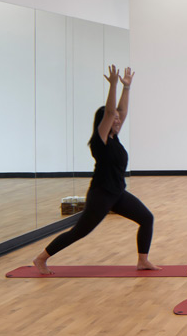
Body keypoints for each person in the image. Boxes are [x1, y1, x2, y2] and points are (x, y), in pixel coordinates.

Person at [31, 66, 155, 271]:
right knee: (80, 231)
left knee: (146, 218)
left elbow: (121, 112)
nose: (118, 119)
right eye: (114, 118)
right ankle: (41, 258)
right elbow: (110, 112)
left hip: (117, 193)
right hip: (101, 194)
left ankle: (142, 260)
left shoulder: (115, 136)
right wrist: (114, 85)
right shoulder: (101, 140)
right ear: (104, 122)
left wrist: (127, 88)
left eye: (118, 118)